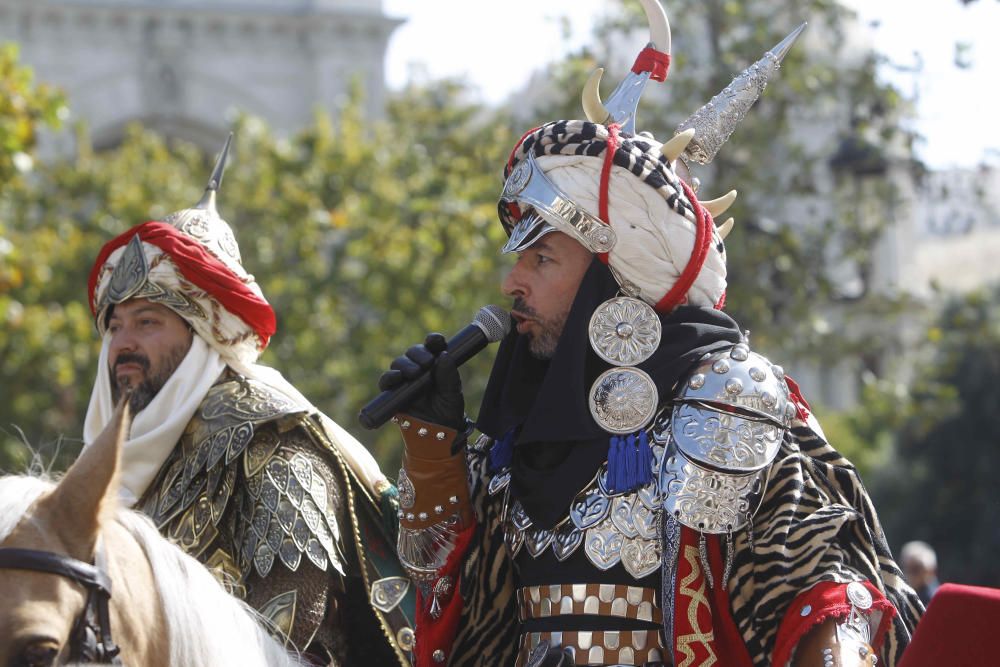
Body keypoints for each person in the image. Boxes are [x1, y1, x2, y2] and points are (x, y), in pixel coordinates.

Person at [376, 2, 921, 665]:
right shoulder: (515, 431)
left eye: (541, 258)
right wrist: (434, 449)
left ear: (618, 273)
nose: (511, 283)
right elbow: (446, 605)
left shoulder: (725, 398)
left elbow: (826, 602)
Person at [82, 136, 414, 665]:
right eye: (115, 325)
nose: (123, 344)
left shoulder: (276, 455)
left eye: (147, 323)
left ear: (205, 334)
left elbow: (294, 649)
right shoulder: (120, 462)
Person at [900, 541, 940, 607]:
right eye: (906, 568)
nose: (910, 574)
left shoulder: (938, 601)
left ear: (931, 571)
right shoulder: (901, 597)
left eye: (916, 569)